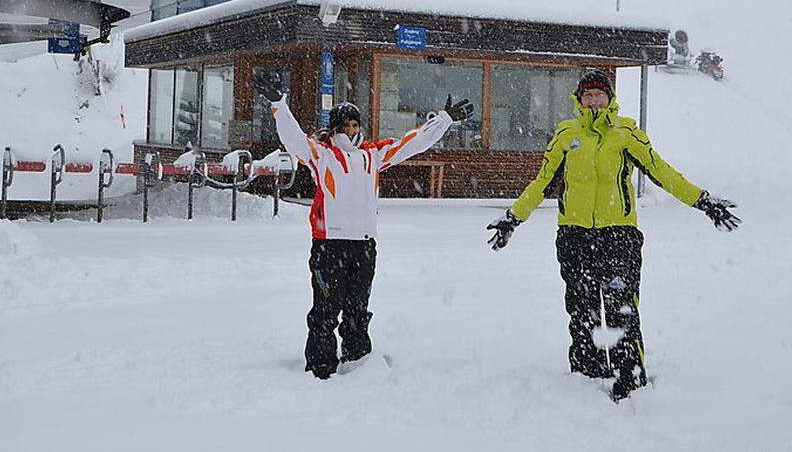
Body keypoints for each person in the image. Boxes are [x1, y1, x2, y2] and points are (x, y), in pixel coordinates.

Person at [485, 68, 740, 402]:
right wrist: (511, 219)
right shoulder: (566, 135)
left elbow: (663, 172)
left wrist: (703, 201)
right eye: (587, 95)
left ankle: (629, 378)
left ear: (610, 98)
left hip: (618, 237)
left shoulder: (626, 134)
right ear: (578, 99)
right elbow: (541, 183)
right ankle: (587, 374)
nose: (593, 100)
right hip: (574, 237)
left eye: (599, 94)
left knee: (621, 309)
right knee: (581, 308)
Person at [253, 70, 473, 379]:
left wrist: (445, 120)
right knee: (326, 310)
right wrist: (278, 103)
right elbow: (293, 138)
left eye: (356, 124)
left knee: (357, 310)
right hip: (330, 244)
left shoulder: (374, 154)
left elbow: (414, 142)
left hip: (364, 244)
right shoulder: (322, 154)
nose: (352, 130)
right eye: (346, 125)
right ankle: (320, 367)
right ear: (336, 128)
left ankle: (357, 361)